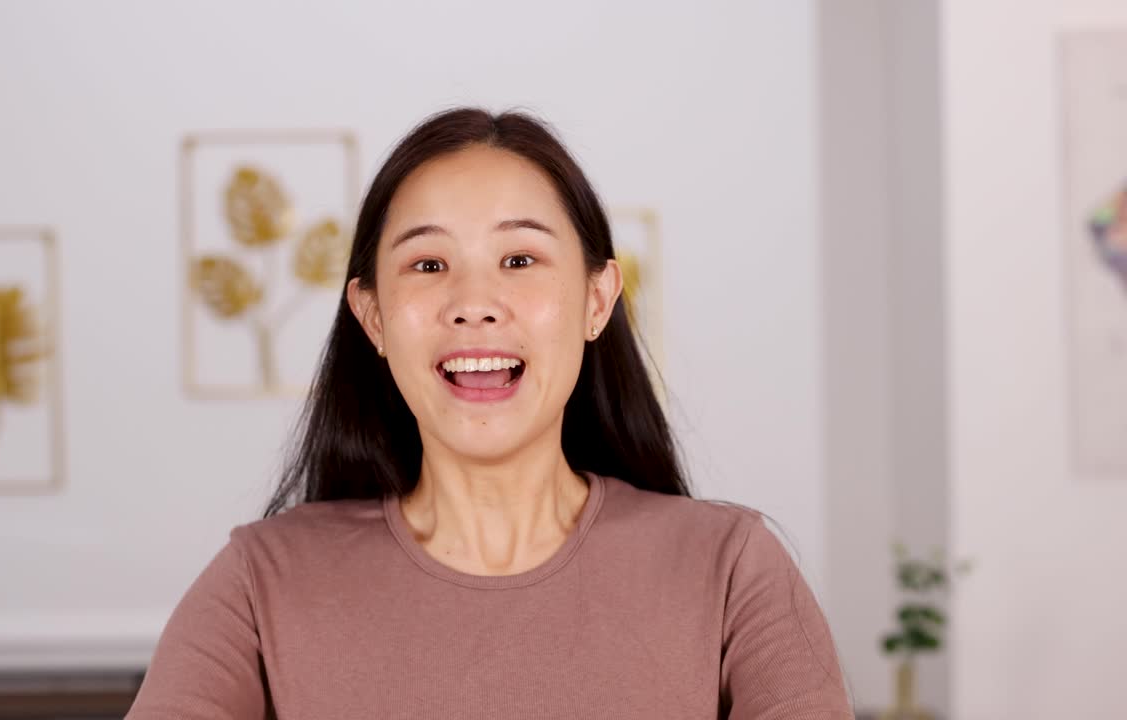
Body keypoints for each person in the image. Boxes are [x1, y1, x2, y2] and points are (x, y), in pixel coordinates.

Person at [127, 108, 854, 719]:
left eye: (519, 260)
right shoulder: (261, 583)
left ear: (597, 300)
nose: (474, 302)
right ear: (372, 317)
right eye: (428, 264)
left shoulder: (731, 569)